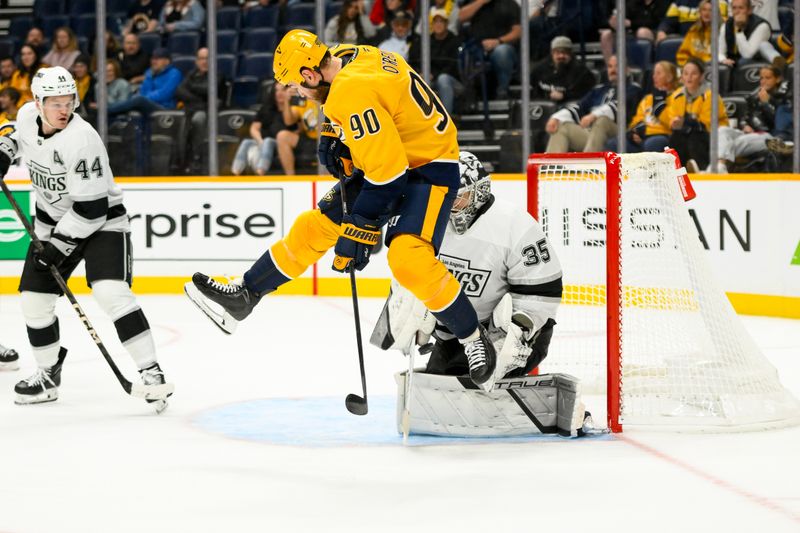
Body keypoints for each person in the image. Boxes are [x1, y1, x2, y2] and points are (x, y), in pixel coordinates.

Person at [185, 30, 499, 389]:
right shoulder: (349, 54)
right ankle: (246, 293)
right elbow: (379, 126)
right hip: (399, 153)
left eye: (297, 86)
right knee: (312, 227)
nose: (300, 94)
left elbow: (389, 176)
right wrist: (334, 133)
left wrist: (358, 228)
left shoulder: (350, 92)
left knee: (409, 259)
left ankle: (473, 337)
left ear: (310, 74)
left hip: (429, 167)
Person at [0, 66, 172, 408]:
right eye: (55, 103)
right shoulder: (25, 114)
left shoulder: (82, 138)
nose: (64, 109)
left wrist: (58, 245)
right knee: (34, 300)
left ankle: (151, 371)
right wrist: (4, 151)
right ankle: (48, 374)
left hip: (103, 224)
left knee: (111, 293)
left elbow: (92, 210)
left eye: (69, 101)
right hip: (52, 222)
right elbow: (18, 136)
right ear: (37, 102)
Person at [415, 151, 562, 381]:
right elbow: (416, 270)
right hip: (461, 331)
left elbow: (543, 289)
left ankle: (578, 413)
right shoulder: (431, 220)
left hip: (515, 331)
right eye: (444, 194)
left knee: (489, 383)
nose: (448, 203)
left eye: (457, 196)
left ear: (479, 192)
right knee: (439, 385)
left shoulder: (513, 224)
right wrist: (425, 314)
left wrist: (516, 333)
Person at [545, 55, 643, 153]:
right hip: (592, 135)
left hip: (618, 134)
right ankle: (550, 167)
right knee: (561, 126)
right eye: (610, 66)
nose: (613, 70)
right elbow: (579, 106)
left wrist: (594, 115)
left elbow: (619, 106)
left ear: (626, 69)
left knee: (602, 120)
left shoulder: (634, 89)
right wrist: (556, 117)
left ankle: (588, 167)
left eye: (617, 66)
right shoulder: (598, 90)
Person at [715, 63, 790, 172]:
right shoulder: (753, 97)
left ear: (778, 79)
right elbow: (745, 117)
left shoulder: (783, 98)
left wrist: (766, 104)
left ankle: (715, 168)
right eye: (761, 78)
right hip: (748, 133)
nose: (763, 81)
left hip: (768, 137)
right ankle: (720, 167)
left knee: (729, 144)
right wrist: (745, 125)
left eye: (768, 78)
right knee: (722, 131)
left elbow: (778, 125)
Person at [663, 57, 729, 172]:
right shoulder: (676, 95)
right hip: (687, 133)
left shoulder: (710, 96)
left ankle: (702, 170)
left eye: (694, 74)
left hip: (712, 135)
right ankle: (676, 172)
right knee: (676, 138)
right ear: (682, 76)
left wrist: (684, 122)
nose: (689, 77)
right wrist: (676, 123)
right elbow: (673, 119)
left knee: (695, 137)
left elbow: (706, 125)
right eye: (686, 73)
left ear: (701, 76)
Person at [608, 60, 679, 152]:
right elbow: (636, 121)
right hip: (644, 136)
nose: (654, 77)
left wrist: (659, 101)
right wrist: (634, 133)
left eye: (658, 73)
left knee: (652, 143)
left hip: (663, 135)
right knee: (614, 143)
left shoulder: (677, 96)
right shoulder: (648, 99)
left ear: (669, 77)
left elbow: (671, 122)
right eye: (654, 73)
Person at [458, 0, 521, 99]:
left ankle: (502, 90)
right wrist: (481, 2)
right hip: (477, 48)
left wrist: (498, 41)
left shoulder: (510, 4)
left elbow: (518, 31)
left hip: (503, 46)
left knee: (502, 52)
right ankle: (469, 95)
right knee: (464, 53)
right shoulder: (474, 2)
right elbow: (460, 17)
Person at [175, 47, 224, 173]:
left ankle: (197, 157)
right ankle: (180, 159)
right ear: (197, 61)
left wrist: (191, 87)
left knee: (198, 118)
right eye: (201, 58)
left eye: (207, 58)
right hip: (194, 108)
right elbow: (179, 91)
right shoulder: (192, 74)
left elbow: (208, 90)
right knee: (180, 119)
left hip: (210, 112)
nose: (204, 61)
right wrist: (199, 98)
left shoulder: (217, 75)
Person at [408, 8, 463, 115]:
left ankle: (446, 119)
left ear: (447, 24)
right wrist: (421, 73)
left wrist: (434, 74)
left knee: (443, 79)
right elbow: (416, 61)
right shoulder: (425, 41)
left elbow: (453, 66)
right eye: (435, 21)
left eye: (441, 21)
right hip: (430, 78)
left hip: (453, 81)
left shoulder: (455, 41)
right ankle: (421, 121)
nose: (438, 24)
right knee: (416, 81)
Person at [231, 83, 289, 176]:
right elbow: (254, 128)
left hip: (281, 143)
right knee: (247, 142)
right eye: (276, 90)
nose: (279, 93)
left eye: (282, 90)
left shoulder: (292, 110)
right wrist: (260, 141)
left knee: (268, 141)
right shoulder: (266, 109)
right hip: (262, 142)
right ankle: (236, 172)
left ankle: (260, 172)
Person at [108, 47, 182, 116]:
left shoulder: (174, 73)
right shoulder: (150, 72)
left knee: (139, 99)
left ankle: (107, 110)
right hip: (148, 105)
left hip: (166, 108)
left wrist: (145, 98)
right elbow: (143, 90)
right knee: (133, 98)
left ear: (167, 61)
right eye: (153, 58)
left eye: (158, 58)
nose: (154, 61)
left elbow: (165, 94)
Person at [530, 36, 596, 104]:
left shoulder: (582, 72)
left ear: (570, 54)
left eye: (565, 52)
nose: (561, 56)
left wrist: (564, 96)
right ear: (552, 53)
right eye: (557, 52)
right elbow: (533, 89)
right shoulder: (540, 69)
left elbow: (588, 95)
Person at [600, 0, 670, 63]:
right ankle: (611, 70)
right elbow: (625, 17)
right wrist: (614, 22)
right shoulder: (633, 2)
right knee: (606, 35)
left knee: (642, 32)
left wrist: (631, 23)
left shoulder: (662, 2)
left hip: (656, 32)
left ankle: (646, 70)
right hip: (632, 32)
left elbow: (656, 22)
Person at [275, 87, 319, 175]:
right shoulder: (302, 101)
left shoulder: (324, 96)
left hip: (328, 138)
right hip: (311, 140)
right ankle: (291, 179)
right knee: (282, 136)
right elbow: (289, 121)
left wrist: (315, 99)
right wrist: (287, 101)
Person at [719, 0, 772, 67]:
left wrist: (739, 30)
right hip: (732, 62)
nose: (737, 11)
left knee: (743, 62)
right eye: (734, 8)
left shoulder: (762, 26)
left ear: (749, 10)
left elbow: (747, 55)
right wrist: (723, 60)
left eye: (741, 8)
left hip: (756, 63)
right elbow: (720, 52)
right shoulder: (726, 25)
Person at [656, 0, 729, 43]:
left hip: (711, 40)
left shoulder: (721, 2)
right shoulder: (679, 2)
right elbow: (667, 22)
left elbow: (723, 23)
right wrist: (662, 31)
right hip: (685, 41)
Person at [676, 0, 717, 66]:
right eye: (704, 10)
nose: (707, 13)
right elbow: (683, 54)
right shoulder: (694, 30)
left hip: (712, 67)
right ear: (700, 12)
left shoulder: (721, 31)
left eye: (710, 10)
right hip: (694, 67)